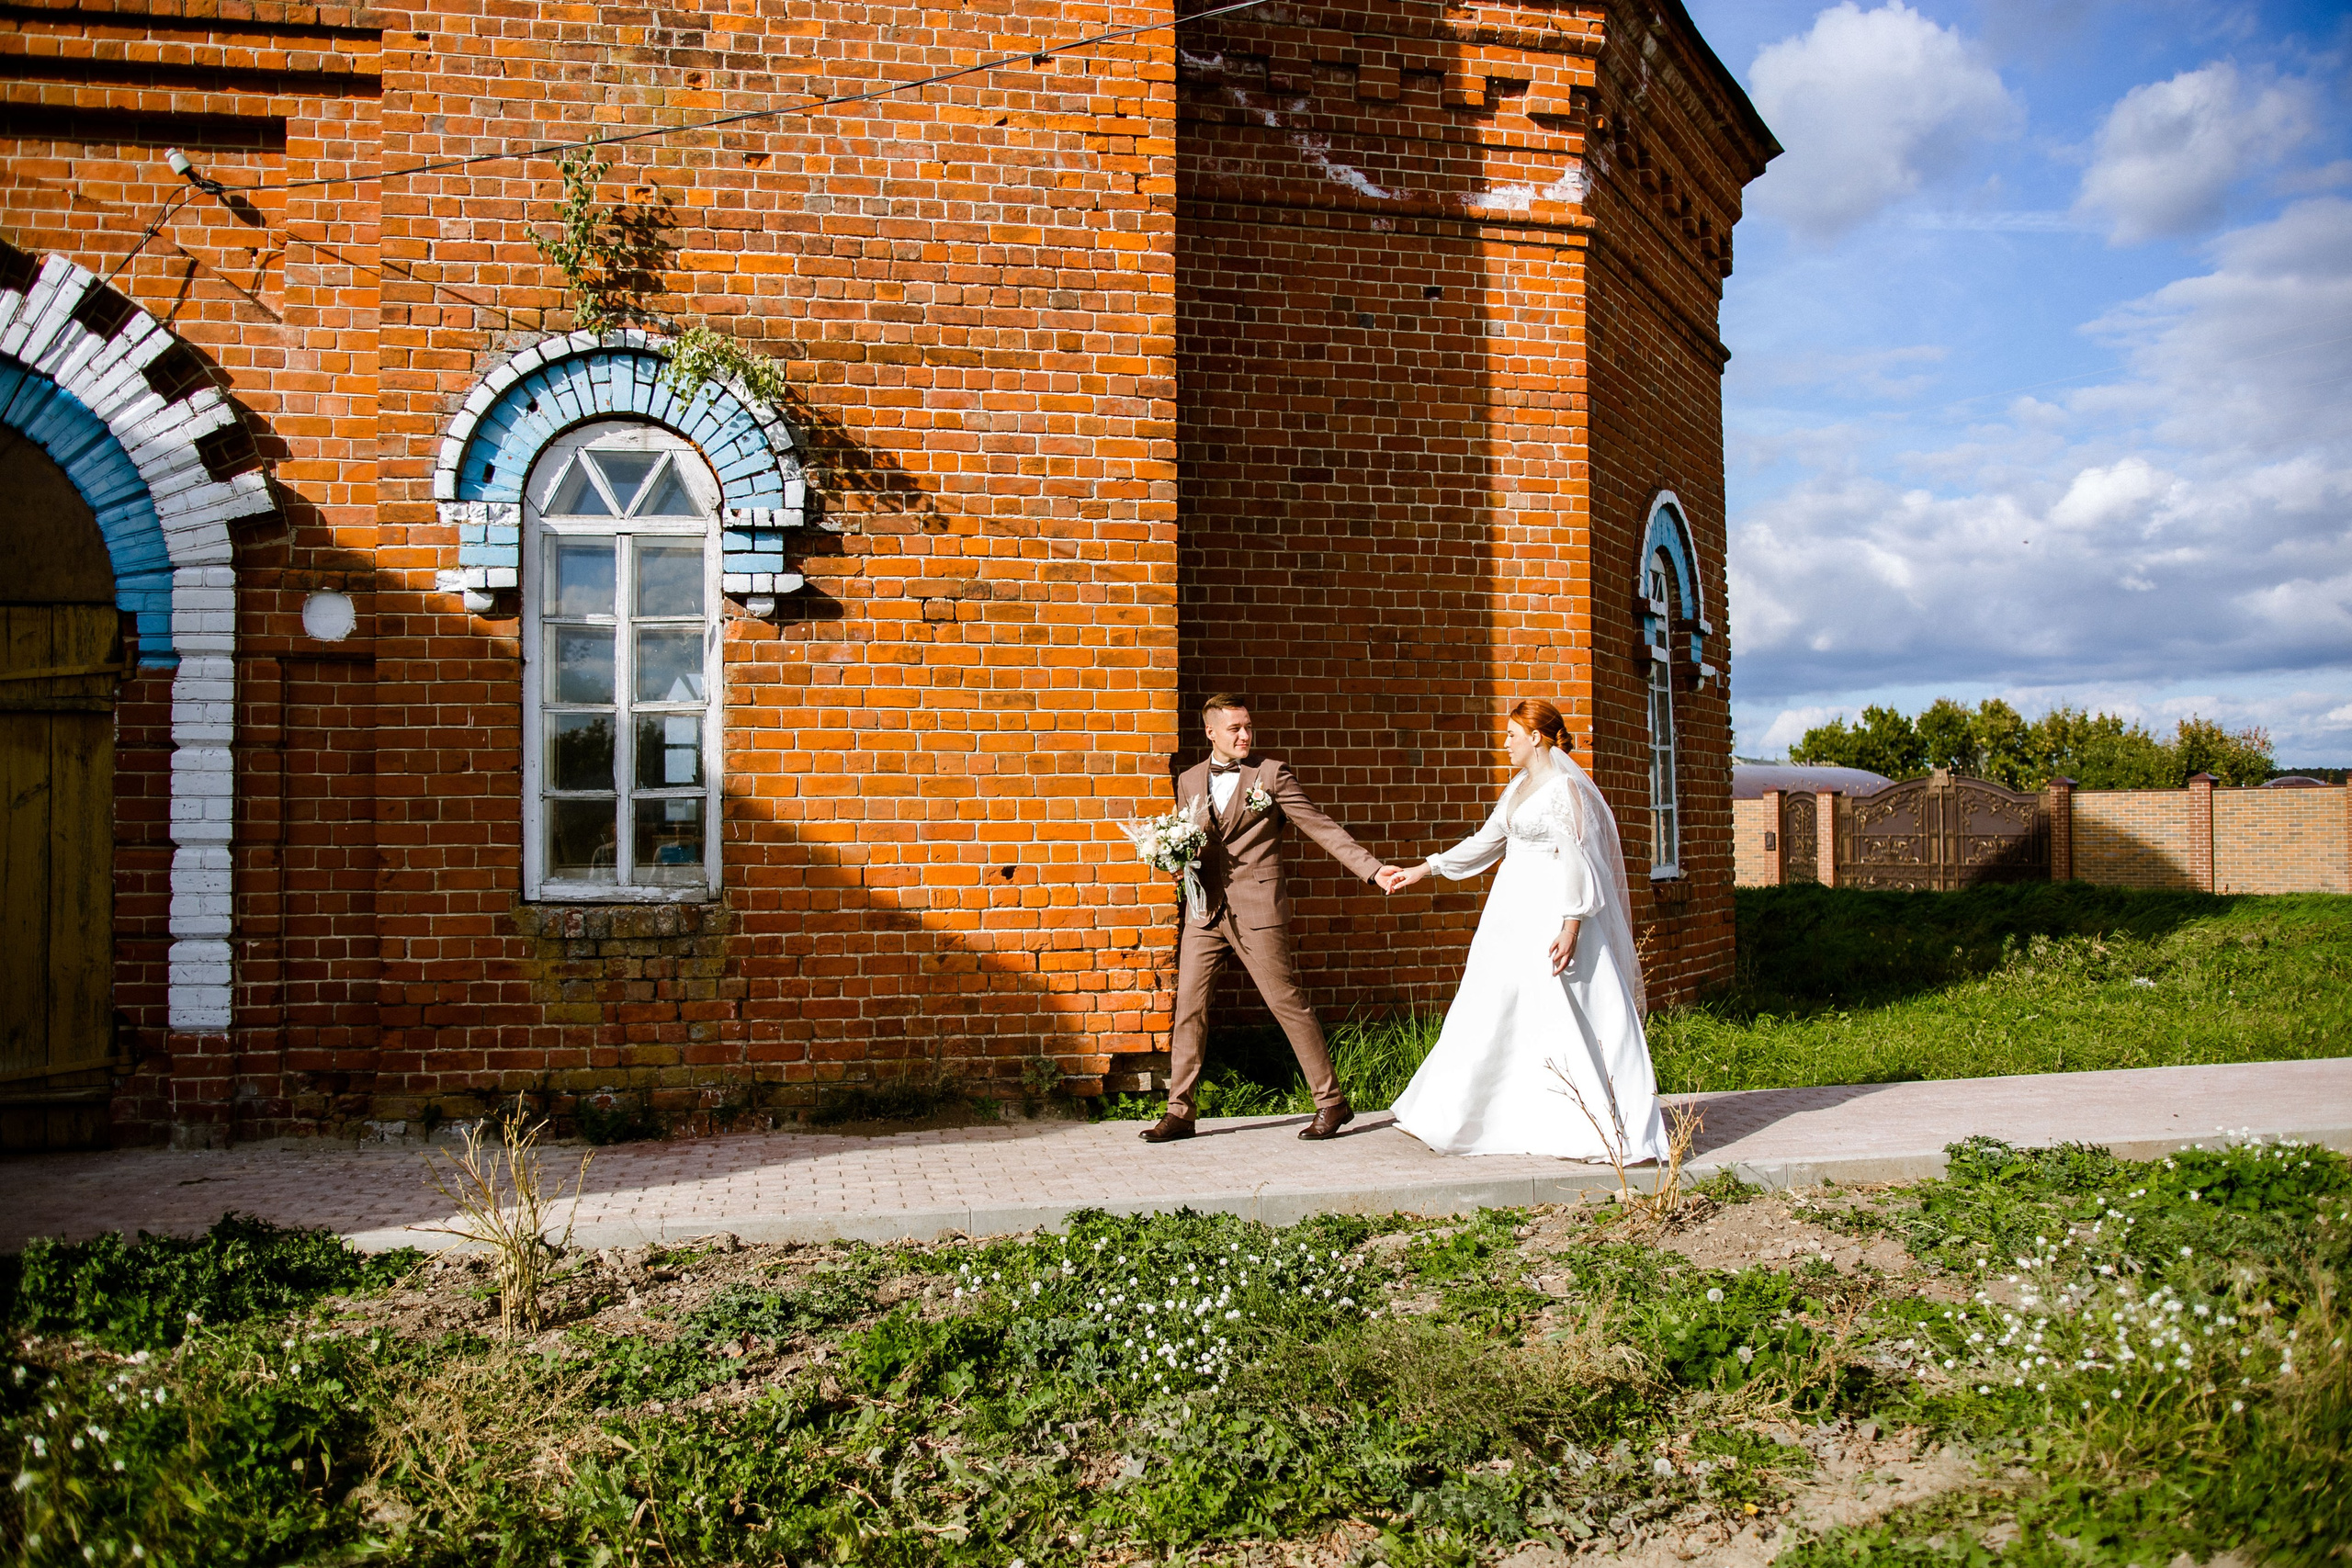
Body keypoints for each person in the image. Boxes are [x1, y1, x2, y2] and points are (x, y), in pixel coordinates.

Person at [1374, 699, 1667, 1161]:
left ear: (1535, 737)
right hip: (1510, 913)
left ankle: (1588, 1121)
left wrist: (1571, 925)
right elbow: (1487, 842)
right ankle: (1466, 1113)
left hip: (1551, 912)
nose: (1505, 743)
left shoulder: (1564, 789)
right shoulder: (1517, 787)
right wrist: (1423, 869)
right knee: (1493, 1003)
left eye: (1512, 735)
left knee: (1561, 1010)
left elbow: (1582, 860)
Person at [1139, 694, 1394, 1145]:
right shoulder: (1190, 779)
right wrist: (1175, 859)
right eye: (1234, 728)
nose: (1244, 735)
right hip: (1205, 911)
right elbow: (1195, 838)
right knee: (1188, 1010)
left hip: (1258, 909)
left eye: (1248, 727)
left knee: (1287, 1004)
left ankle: (1331, 1102)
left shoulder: (1271, 775)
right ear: (1211, 732)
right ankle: (1179, 1111)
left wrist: (1371, 869)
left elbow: (1320, 825)